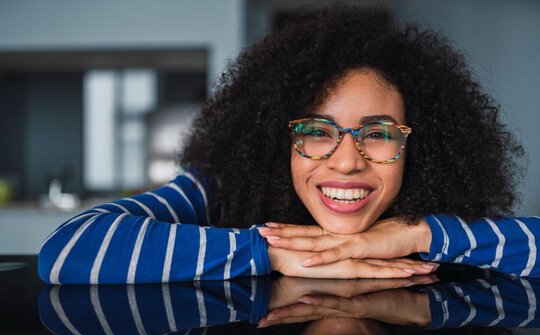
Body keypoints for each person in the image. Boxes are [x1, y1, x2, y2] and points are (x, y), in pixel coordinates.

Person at [38, 4, 539, 285]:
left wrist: (416, 235)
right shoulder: (220, 187)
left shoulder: (438, 213)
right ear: (276, 140)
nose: (346, 162)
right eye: (317, 131)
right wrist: (268, 252)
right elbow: (68, 249)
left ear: (416, 147)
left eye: (379, 133)